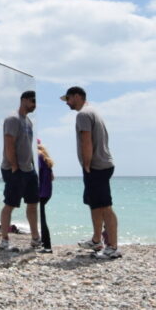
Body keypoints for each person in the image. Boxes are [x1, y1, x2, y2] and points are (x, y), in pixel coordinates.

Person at [62, 86, 121, 260]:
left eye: (68, 99)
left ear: (77, 96)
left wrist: (87, 164)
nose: (67, 103)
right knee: (94, 204)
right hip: (100, 165)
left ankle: (113, 247)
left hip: (97, 166)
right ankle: (97, 240)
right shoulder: (92, 111)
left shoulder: (83, 114)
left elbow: (86, 140)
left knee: (105, 206)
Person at [0, 91, 40, 252]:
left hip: (29, 169)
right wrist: (15, 166)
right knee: (10, 204)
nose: (34, 105)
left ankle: (35, 238)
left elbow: (27, 146)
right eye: (32, 101)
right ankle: (4, 240)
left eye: (36, 102)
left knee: (33, 204)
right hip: (14, 169)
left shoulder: (28, 121)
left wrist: (31, 166)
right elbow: (9, 144)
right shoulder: (12, 119)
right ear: (23, 100)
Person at [36, 140, 54, 254]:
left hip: (41, 193)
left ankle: (47, 246)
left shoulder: (37, 156)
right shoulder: (44, 156)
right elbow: (51, 177)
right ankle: (42, 243)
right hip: (46, 192)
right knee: (40, 217)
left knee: (41, 218)